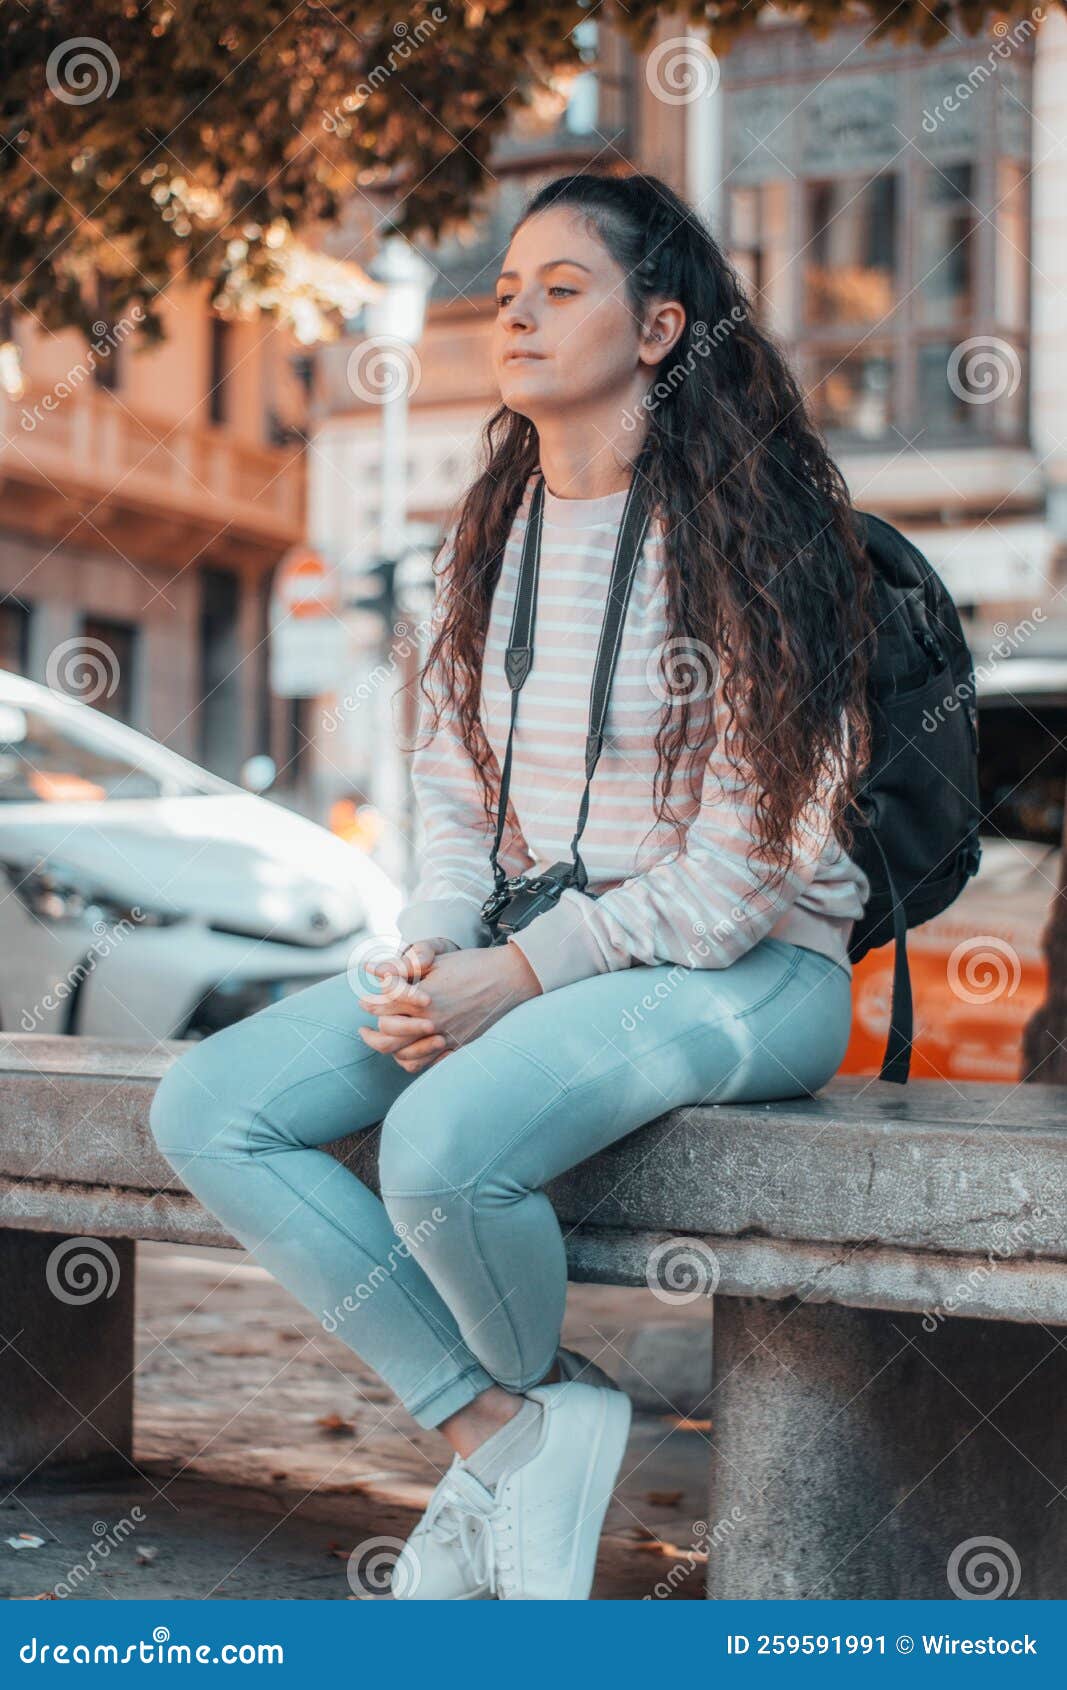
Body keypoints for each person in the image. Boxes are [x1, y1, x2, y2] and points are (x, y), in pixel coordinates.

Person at [148, 169, 874, 1602]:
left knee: (438, 1148)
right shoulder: (484, 537)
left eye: (563, 289)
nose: (520, 316)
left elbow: (738, 875)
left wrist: (519, 977)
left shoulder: (754, 534)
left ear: (661, 326)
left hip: (756, 971)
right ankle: (509, 1430)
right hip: (529, 951)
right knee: (210, 1107)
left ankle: (520, 1453)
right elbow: (450, 794)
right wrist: (435, 953)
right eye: (505, 294)